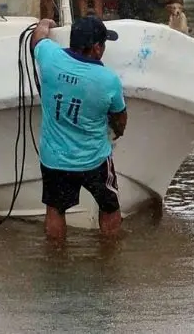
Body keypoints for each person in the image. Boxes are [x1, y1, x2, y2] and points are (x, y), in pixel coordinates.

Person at [30, 15, 128, 241]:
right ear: (96, 48)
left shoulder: (50, 58)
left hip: (55, 159)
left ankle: (56, 260)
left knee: (55, 208)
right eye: (103, 44)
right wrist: (117, 132)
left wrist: (45, 23)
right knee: (109, 206)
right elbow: (120, 119)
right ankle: (110, 258)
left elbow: (37, 39)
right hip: (94, 160)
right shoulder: (107, 80)